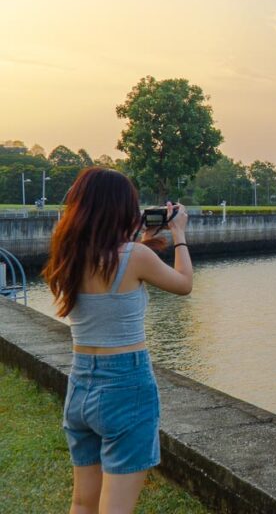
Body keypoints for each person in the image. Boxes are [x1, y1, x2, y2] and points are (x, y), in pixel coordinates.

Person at [42, 168, 192, 514]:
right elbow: (184, 283)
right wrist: (179, 233)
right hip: (126, 385)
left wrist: (144, 237)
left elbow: (116, 259)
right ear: (123, 209)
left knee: (82, 502)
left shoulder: (68, 255)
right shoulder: (135, 257)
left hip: (81, 385)